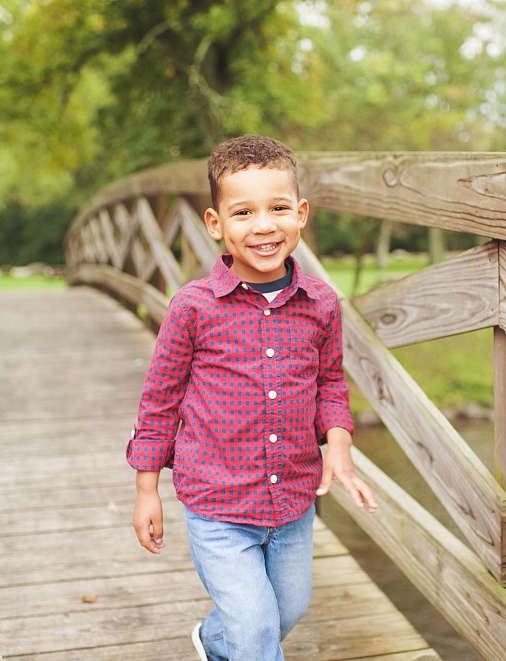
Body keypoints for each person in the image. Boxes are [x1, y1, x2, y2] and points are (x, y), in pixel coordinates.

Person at [127, 134, 377, 661]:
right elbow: (159, 403)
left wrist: (339, 443)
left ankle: (212, 642)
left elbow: (330, 380)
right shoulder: (193, 308)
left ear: (301, 214)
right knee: (256, 629)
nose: (264, 226)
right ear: (216, 224)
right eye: (243, 212)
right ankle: (236, 641)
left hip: (291, 500)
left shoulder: (321, 304)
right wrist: (147, 489)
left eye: (278, 208)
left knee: (289, 608)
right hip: (216, 502)